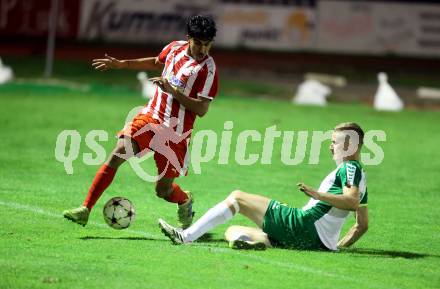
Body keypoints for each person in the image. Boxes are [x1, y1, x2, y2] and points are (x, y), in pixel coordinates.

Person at [63, 15, 219, 229]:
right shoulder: (174, 48)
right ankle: (85, 209)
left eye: (207, 44)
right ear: (189, 38)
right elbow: (156, 62)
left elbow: (201, 109)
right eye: (198, 43)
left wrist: (174, 92)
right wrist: (122, 64)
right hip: (151, 117)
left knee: (162, 191)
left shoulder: (207, 70)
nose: (203, 49)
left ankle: (184, 200)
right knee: (117, 153)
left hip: (175, 133)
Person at [159, 122, 369, 251]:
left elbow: (351, 201)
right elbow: (362, 224)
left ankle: (185, 237)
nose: (330, 146)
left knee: (237, 197)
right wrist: (336, 246)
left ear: (350, 145)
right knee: (234, 230)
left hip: (303, 225)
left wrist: (317, 194)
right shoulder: (360, 174)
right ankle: (248, 243)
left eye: (335, 142)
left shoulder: (349, 167)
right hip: (317, 242)